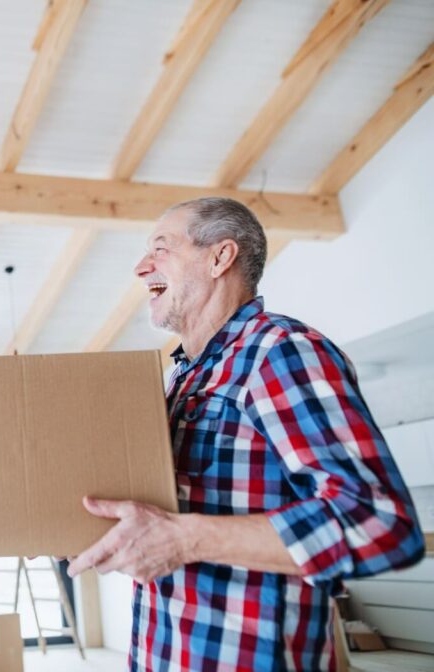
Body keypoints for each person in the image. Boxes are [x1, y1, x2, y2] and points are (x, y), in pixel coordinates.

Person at [67, 197, 425, 671]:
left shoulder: (280, 352)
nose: (140, 267)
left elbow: (380, 524)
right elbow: (161, 520)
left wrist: (185, 539)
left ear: (219, 257)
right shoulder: (182, 379)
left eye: (161, 248)